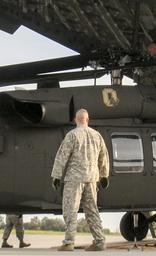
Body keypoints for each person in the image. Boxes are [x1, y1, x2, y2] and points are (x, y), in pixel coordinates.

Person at [51, 108, 111, 252]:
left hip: (74, 179)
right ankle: (100, 241)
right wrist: (104, 175)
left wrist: (56, 175)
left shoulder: (72, 135)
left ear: (75, 120)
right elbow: (104, 156)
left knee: (71, 210)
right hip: (91, 179)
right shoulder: (97, 136)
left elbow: (62, 156)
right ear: (88, 120)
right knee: (92, 210)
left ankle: (69, 242)